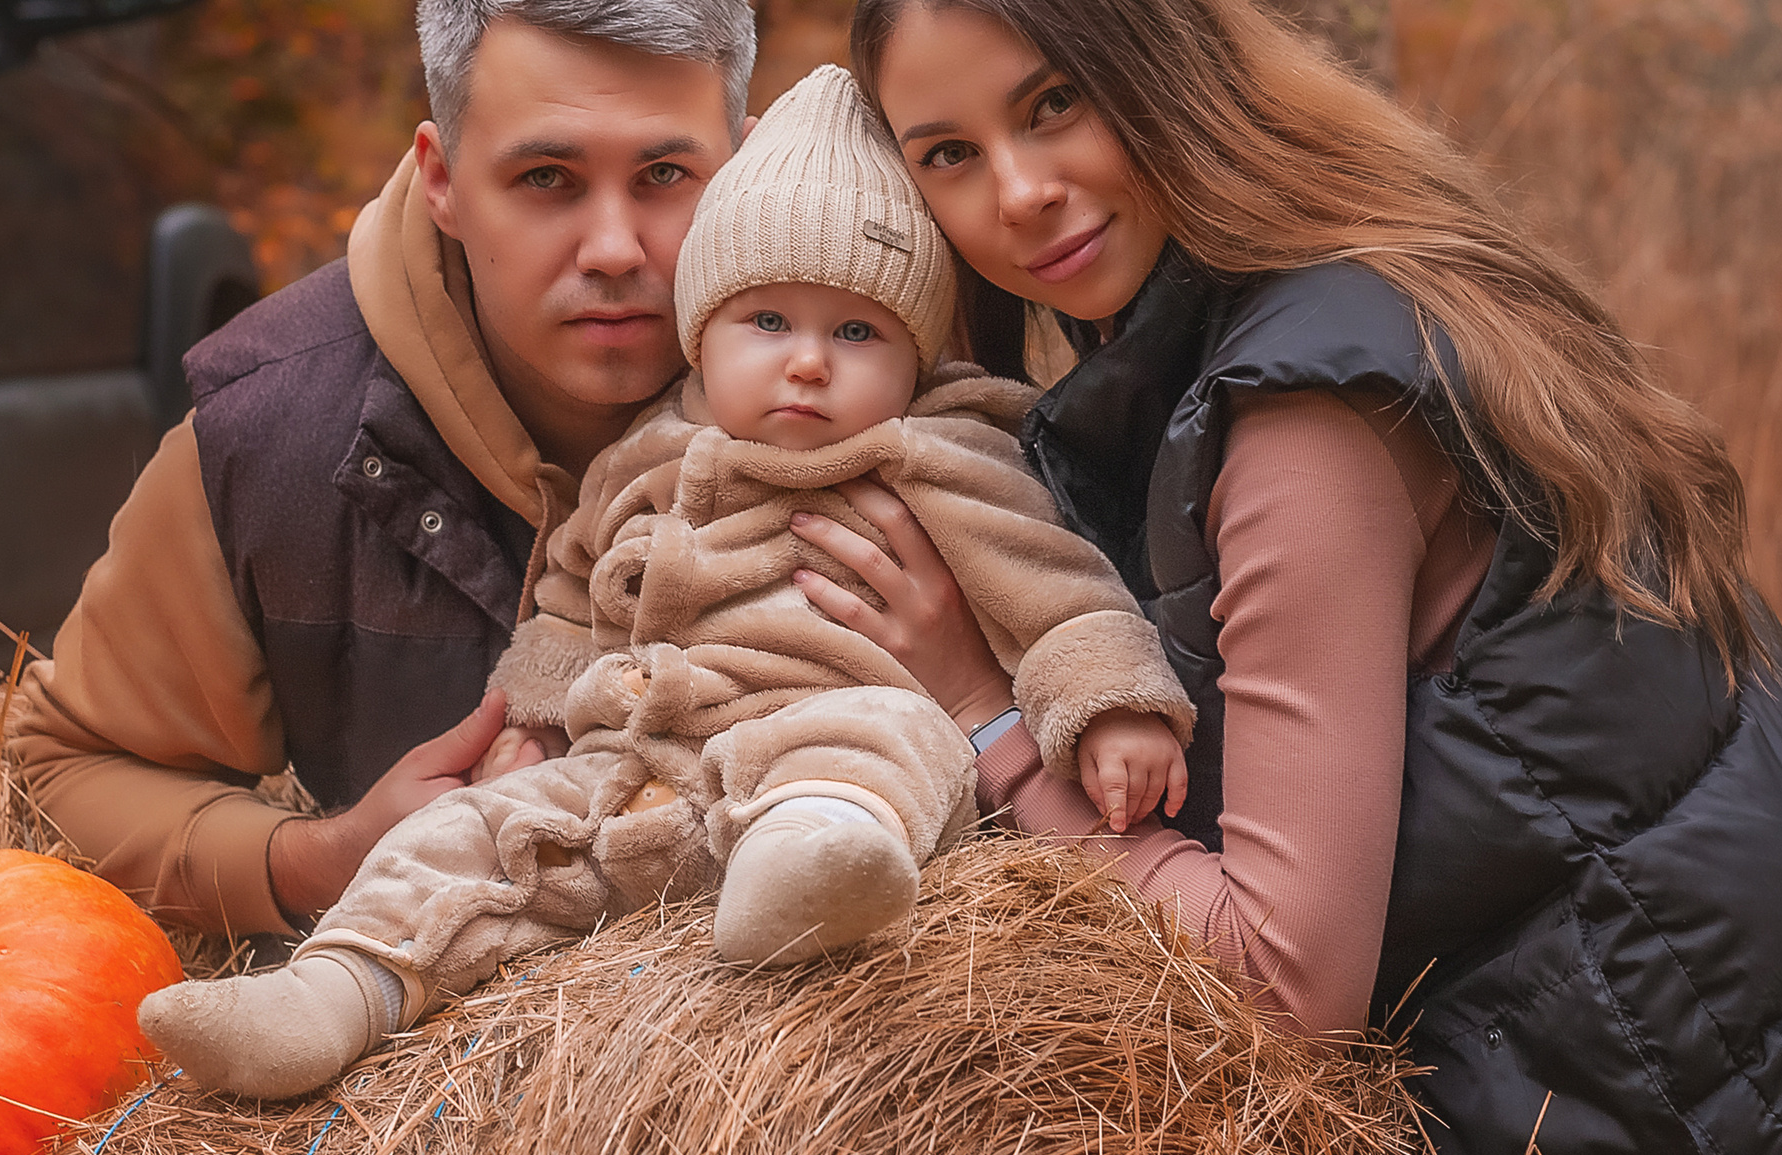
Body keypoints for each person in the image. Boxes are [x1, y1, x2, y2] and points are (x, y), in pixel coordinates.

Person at [823, 0, 1782, 1155]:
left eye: (1055, 103)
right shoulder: (1320, 282)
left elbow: (1281, 990)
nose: (1019, 190)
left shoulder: (1305, 416)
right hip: (1768, 1083)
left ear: (1161, 71)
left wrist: (985, 714)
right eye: (951, 153)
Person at [136, 65, 1193, 1100]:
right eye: (767, 323)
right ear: (704, 332)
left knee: (887, 739)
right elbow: (566, 593)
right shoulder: (646, 450)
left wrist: (1109, 706)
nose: (809, 363)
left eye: (857, 331)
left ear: (916, 358)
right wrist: (533, 724)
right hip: (636, 768)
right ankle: (334, 991)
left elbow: (1054, 584)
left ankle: (805, 874)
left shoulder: (941, 453)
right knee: (463, 837)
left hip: (814, 733)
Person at [10, 0, 766, 940]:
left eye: (665, 176)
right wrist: (318, 860)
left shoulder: (892, 376)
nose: (611, 247)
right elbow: (71, 766)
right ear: (443, 178)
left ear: (750, 162)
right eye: (545, 179)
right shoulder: (269, 436)